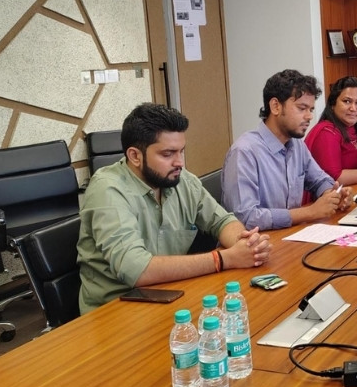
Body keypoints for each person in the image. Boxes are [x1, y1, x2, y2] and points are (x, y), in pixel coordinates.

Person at [77, 103, 273, 314]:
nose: (180, 162)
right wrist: (223, 259)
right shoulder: (107, 190)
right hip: (114, 311)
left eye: (181, 151)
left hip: (169, 295)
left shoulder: (180, 180)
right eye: (168, 154)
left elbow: (221, 221)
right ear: (135, 156)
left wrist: (246, 244)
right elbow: (136, 269)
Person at [222, 69, 352, 230]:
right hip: (258, 241)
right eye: (302, 108)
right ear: (275, 106)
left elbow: (319, 181)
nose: (309, 116)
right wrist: (309, 212)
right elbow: (246, 218)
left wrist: (333, 195)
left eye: (311, 109)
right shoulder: (244, 152)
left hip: (290, 235)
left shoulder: (296, 144)